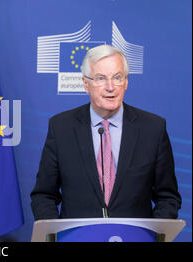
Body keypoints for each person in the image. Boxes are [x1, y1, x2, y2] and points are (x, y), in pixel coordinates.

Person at [30, 45, 181, 220]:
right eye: (100, 78)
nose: (110, 87)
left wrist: (152, 236)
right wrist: (56, 236)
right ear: (86, 84)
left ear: (126, 82)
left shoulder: (153, 129)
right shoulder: (61, 127)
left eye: (117, 77)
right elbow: (43, 196)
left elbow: (168, 198)